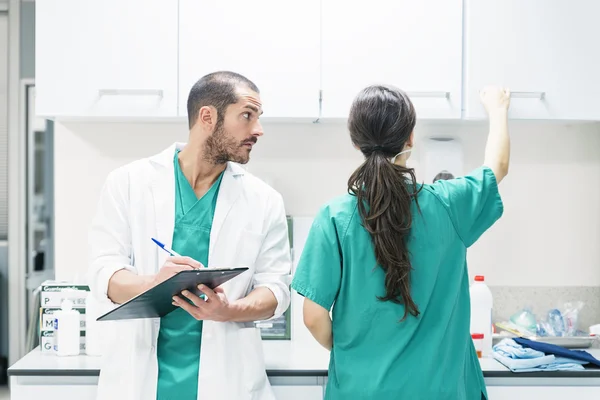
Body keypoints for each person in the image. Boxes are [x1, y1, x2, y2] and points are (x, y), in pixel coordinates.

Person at [291, 85, 510, 399]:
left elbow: (313, 317)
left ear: (356, 142)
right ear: (410, 138)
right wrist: (498, 109)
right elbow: (497, 167)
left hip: (360, 391)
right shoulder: (449, 204)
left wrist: (356, 355)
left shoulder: (335, 216)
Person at [87, 71, 292, 400]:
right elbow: (104, 274)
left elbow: (276, 290)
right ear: (207, 117)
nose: (258, 130)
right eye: (246, 116)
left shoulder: (264, 200)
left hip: (229, 382)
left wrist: (228, 311)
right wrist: (154, 283)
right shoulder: (127, 183)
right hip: (140, 380)